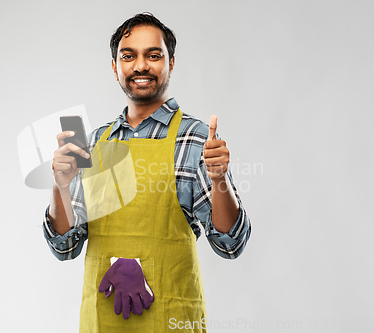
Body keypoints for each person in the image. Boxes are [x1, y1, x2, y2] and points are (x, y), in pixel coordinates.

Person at [43, 12, 251, 333]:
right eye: (129, 56)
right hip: (103, 322)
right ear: (115, 67)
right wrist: (59, 186)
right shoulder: (95, 143)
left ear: (170, 63)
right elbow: (65, 246)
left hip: (169, 319)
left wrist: (219, 179)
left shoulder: (194, 139)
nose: (141, 66)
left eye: (153, 55)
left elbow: (230, 244)